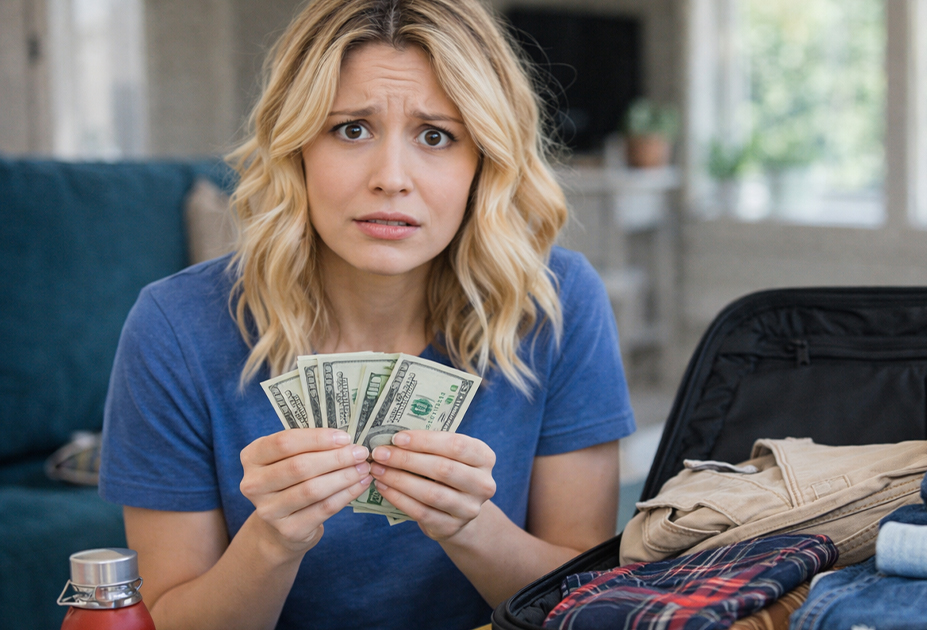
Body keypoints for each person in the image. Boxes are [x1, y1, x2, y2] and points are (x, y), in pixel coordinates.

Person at [98, 1, 636, 628]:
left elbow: (590, 601)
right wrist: (270, 543)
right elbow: (166, 618)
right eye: (352, 129)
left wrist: (471, 527)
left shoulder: (557, 302)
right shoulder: (174, 326)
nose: (391, 178)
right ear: (296, 147)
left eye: (436, 136)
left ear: (484, 163)